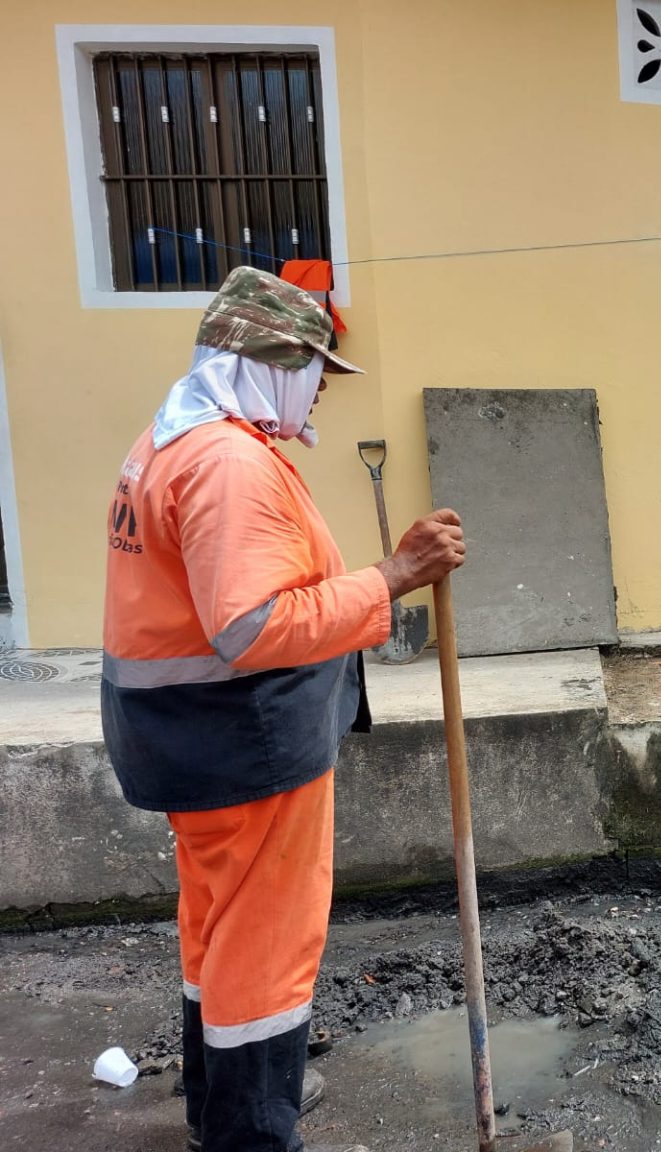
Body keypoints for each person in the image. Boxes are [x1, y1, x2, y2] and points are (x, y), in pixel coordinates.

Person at [101, 266, 466, 1152]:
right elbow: (253, 626)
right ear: (272, 362)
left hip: (190, 738)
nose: (321, 395)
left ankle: (217, 1109)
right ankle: (255, 1134)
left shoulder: (175, 437)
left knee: (216, 928)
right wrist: (393, 576)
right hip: (243, 743)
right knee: (263, 945)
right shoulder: (229, 464)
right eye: (314, 373)